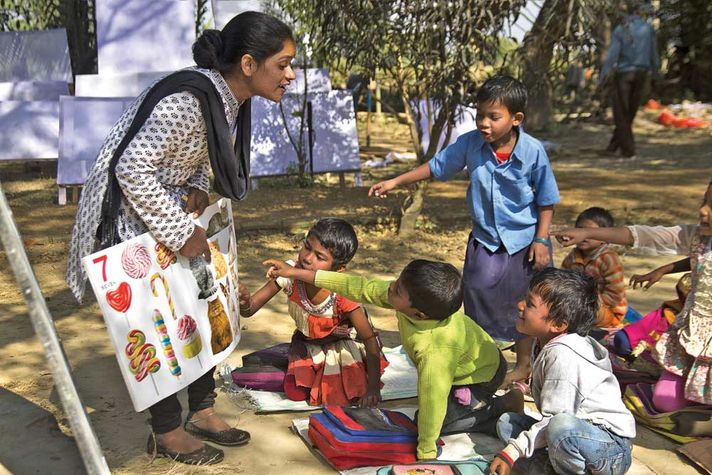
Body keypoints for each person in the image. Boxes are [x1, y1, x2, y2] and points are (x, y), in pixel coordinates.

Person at [65, 12, 297, 465]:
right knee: (156, 323)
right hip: (132, 217)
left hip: (164, 210)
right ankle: (167, 431)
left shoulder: (229, 99)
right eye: (283, 64)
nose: (290, 75)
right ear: (249, 64)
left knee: (200, 306)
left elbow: (187, 156)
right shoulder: (189, 100)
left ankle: (203, 411)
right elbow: (130, 168)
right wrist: (178, 231)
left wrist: (193, 187)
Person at [369, 75, 560, 388]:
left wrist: (541, 239)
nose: (484, 123)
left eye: (493, 117)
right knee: (476, 294)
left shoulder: (533, 151)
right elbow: (437, 166)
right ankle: (486, 363)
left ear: (516, 119)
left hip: (526, 242)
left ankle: (524, 364)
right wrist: (395, 181)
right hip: (485, 240)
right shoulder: (471, 143)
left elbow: (547, 200)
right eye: (480, 115)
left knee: (527, 304)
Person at [262, 257, 524, 461]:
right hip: (464, 370)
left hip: (482, 378)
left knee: (430, 424)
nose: (390, 288)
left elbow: (433, 398)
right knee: (427, 417)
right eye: (397, 282)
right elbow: (356, 287)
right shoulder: (407, 298)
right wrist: (296, 273)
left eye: (397, 289)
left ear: (419, 315)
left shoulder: (436, 352)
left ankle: (499, 406)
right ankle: (477, 402)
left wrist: (426, 453)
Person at [553, 179, 712, 412]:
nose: (703, 210)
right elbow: (643, 235)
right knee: (664, 401)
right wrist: (587, 232)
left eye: (711, 205)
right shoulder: (695, 237)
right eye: (704, 201)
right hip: (692, 334)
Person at [489, 268, 636, 475]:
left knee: (559, 426)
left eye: (530, 304)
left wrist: (512, 452)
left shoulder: (563, 355)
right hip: (575, 436)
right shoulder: (542, 343)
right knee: (508, 423)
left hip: (608, 447)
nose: (520, 305)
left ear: (558, 324)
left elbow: (556, 418)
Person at [238, 218, 387, 407]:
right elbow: (250, 309)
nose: (307, 258)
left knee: (339, 395)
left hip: (341, 348)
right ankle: (297, 363)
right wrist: (244, 301)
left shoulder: (343, 293)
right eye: (307, 247)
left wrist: (373, 387)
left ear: (339, 270)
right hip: (308, 343)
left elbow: (369, 339)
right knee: (295, 392)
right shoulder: (289, 272)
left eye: (320, 257)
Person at [598, 0, 660, 159]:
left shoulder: (621, 29)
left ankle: (628, 150)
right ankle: (613, 145)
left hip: (624, 74)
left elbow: (612, 56)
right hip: (642, 74)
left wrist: (602, 77)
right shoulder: (648, 29)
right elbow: (654, 54)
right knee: (630, 112)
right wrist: (656, 74)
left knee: (620, 113)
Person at [561, 207, 628, 327]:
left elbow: (615, 294)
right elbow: (562, 281)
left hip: (606, 310)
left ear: (605, 236)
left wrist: (586, 305)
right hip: (578, 305)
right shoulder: (573, 256)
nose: (584, 235)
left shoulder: (608, 259)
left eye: (590, 232)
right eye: (580, 230)